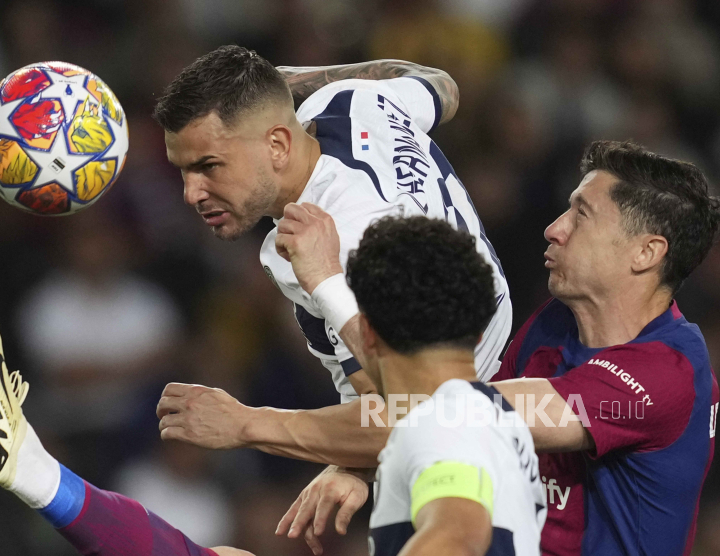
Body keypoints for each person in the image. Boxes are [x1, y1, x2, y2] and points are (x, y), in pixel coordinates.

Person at [171, 140, 717, 555]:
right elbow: (434, 403)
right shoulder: (556, 325)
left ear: (646, 253)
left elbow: (449, 411)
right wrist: (354, 465)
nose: (554, 228)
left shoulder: (663, 376)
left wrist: (251, 422)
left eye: (581, 214)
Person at [0, 217, 543, 556]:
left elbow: (458, 531)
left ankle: (29, 470)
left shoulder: (447, 422)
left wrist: (327, 284)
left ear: (374, 338)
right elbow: (396, 422)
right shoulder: (487, 408)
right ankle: (28, 468)